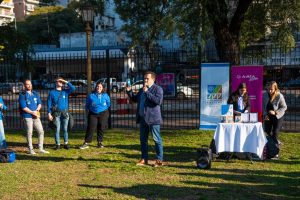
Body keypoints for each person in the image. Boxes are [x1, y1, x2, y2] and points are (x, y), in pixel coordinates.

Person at [126, 71, 164, 167]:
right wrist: (129, 91)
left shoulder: (158, 89)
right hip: (143, 118)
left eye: (147, 78)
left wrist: (147, 92)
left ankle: (159, 160)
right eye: (145, 78)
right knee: (143, 140)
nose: (145, 80)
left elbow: (158, 101)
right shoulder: (142, 89)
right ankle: (144, 158)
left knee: (156, 139)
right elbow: (135, 99)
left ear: (153, 79)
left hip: (153, 119)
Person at [19, 79, 49, 155]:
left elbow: (39, 103)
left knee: (41, 131)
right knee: (29, 133)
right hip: (27, 116)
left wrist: (37, 110)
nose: (29, 85)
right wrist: (32, 112)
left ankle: (41, 148)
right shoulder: (22, 95)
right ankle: (31, 149)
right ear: (24, 85)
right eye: (27, 84)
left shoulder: (35, 93)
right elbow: (23, 107)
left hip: (36, 116)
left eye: (30, 84)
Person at [80, 82, 110, 149]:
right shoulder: (91, 95)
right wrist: (87, 113)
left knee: (101, 127)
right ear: (95, 87)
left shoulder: (105, 95)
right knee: (91, 127)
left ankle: (100, 142)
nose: (98, 88)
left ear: (102, 88)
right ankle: (86, 143)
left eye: (100, 87)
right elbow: (87, 105)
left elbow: (108, 104)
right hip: (93, 113)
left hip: (103, 113)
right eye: (97, 86)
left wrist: (102, 108)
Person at [47, 77, 75, 150]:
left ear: (62, 83)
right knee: (57, 129)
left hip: (65, 113)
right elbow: (49, 103)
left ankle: (66, 143)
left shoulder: (65, 91)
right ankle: (58, 144)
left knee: (65, 129)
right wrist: (49, 113)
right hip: (56, 114)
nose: (59, 83)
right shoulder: (52, 92)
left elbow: (73, 88)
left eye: (60, 82)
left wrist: (65, 81)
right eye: (57, 81)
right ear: (55, 83)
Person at [263, 81, 287, 146]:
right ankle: (272, 142)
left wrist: (275, 112)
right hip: (268, 116)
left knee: (275, 132)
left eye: (271, 89)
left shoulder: (279, 96)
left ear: (275, 89)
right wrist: (265, 115)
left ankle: (275, 147)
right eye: (268, 89)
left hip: (278, 116)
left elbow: (284, 107)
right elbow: (263, 107)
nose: (270, 91)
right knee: (267, 131)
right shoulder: (264, 95)